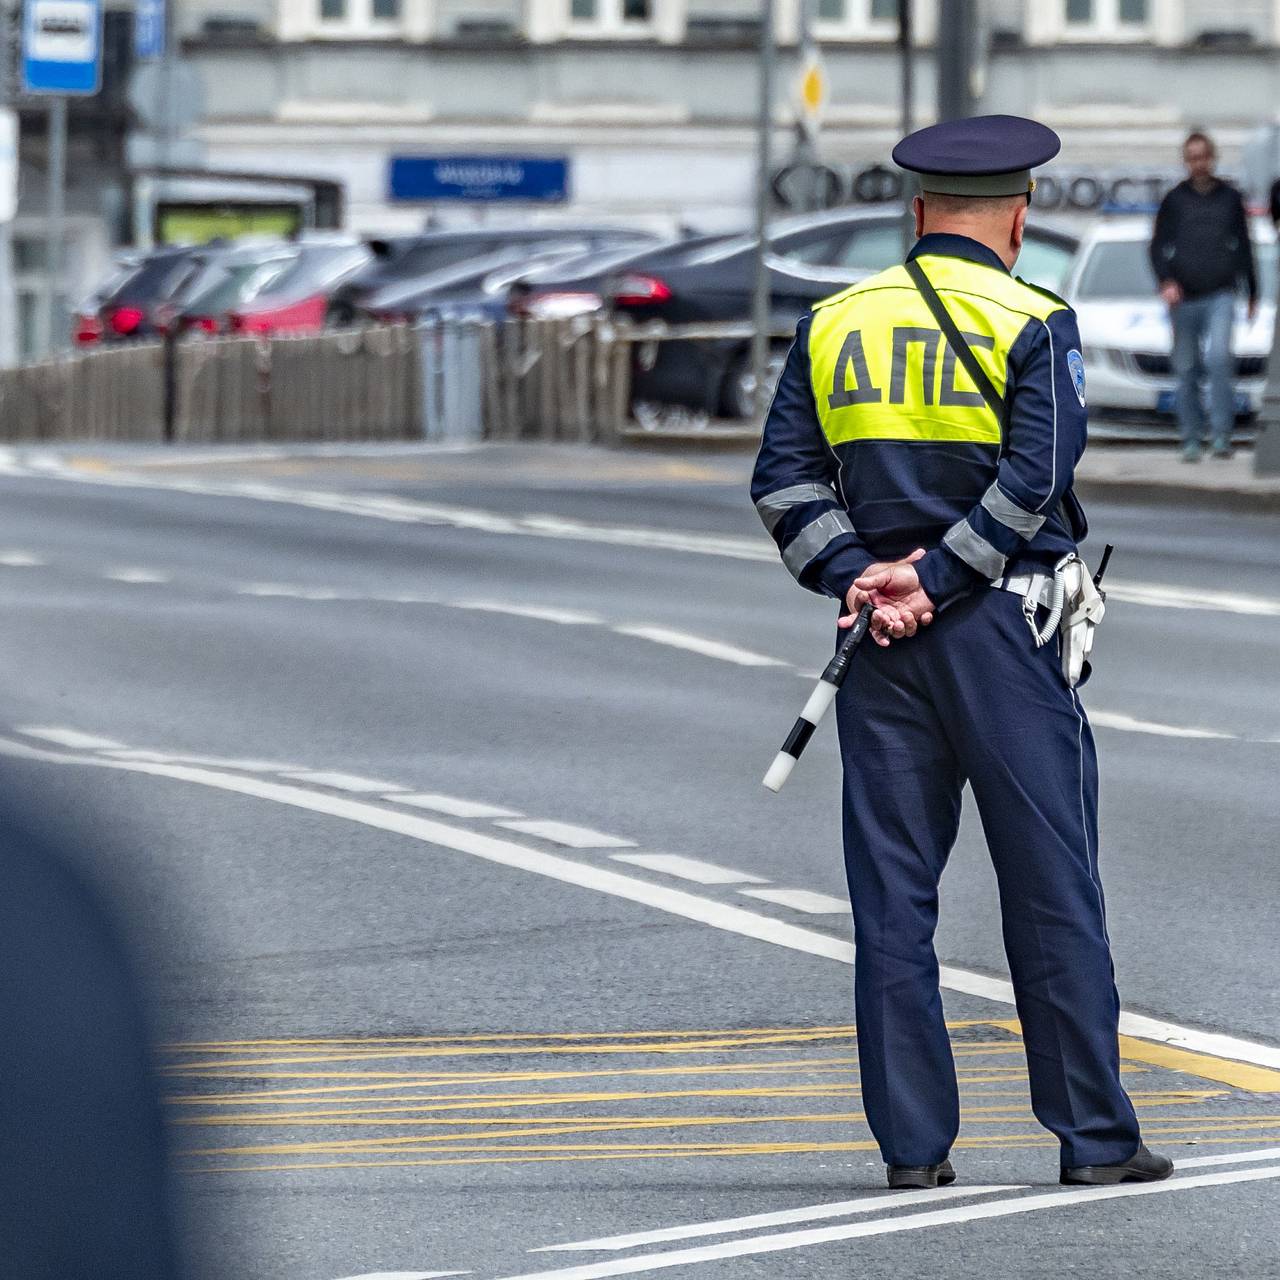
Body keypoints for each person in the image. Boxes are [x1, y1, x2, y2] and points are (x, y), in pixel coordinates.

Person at [751, 114, 1172, 1192]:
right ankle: (1091, 1136)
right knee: (1048, 884)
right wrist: (936, 581)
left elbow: (783, 480)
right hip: (997, 629)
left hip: (875, 640)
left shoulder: (832, 320)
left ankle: (910, 1146)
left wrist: (859, 573)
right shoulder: (1032, 317)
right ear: (1018, 218)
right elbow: (1032, 478)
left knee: (892, 896)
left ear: (916, 211)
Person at [1150, 131, 1257, 462]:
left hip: (1221, 293)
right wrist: (1166, 280)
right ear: (1186, 161)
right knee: (1186, 368)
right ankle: (1191, 438)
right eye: (1192, 157)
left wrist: (1254, 290)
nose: (1198, 163)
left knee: (1220, 359)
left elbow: (1244, 246)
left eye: (1203, 157)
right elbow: (1156, 246)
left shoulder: (1230, 198)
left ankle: (1222, 435)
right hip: (1183, 297)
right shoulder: (1174, 200)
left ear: (1212, 158)